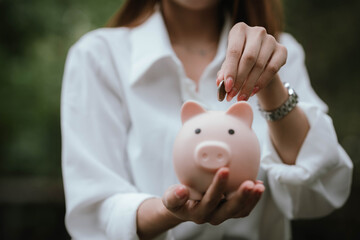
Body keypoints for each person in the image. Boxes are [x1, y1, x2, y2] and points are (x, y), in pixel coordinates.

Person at [61, 0, 353, 239]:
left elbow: (321, 191)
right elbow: (95, 214)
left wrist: (270, 84)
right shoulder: (99, 57)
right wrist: (169, 212)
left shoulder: (278, 52)